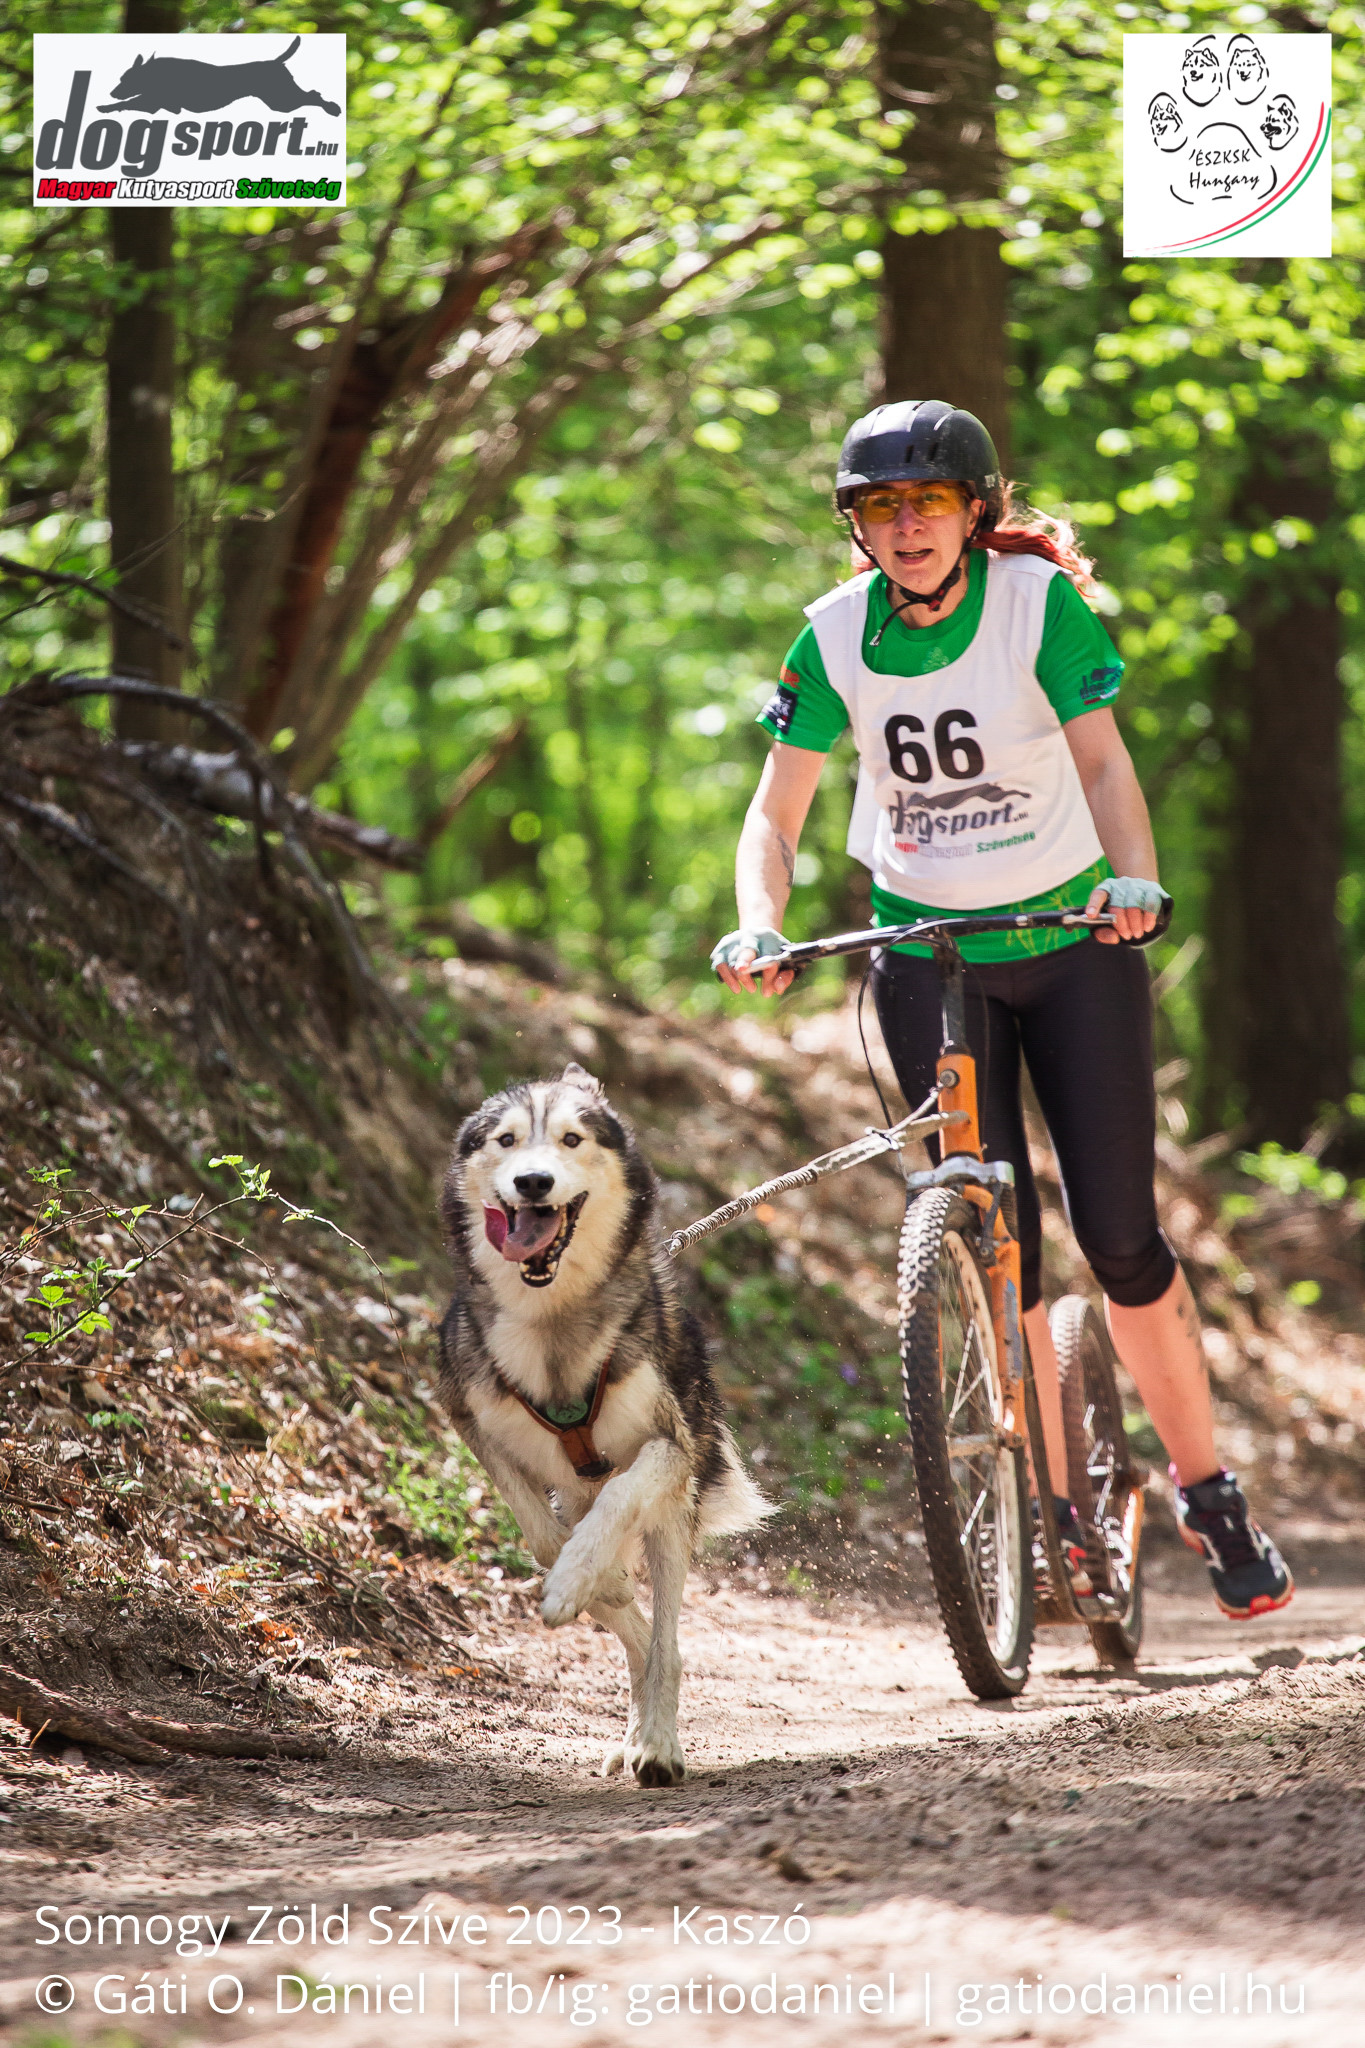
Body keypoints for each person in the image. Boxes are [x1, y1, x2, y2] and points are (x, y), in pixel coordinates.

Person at [711, 398, 1292, 1621]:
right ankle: (1048, 1506)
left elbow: (1100, 764)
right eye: (881, 507)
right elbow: (778, 811)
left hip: (1075, 941)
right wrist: (760, 918)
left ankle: (1207, 1486)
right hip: (930, 952)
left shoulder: (1038, 608)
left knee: (1121, 1237)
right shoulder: (830, 637)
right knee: (992, 1235)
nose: (906, 525)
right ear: (857, 528)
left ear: (974, 512)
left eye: (928, 503)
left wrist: (1132, 880)